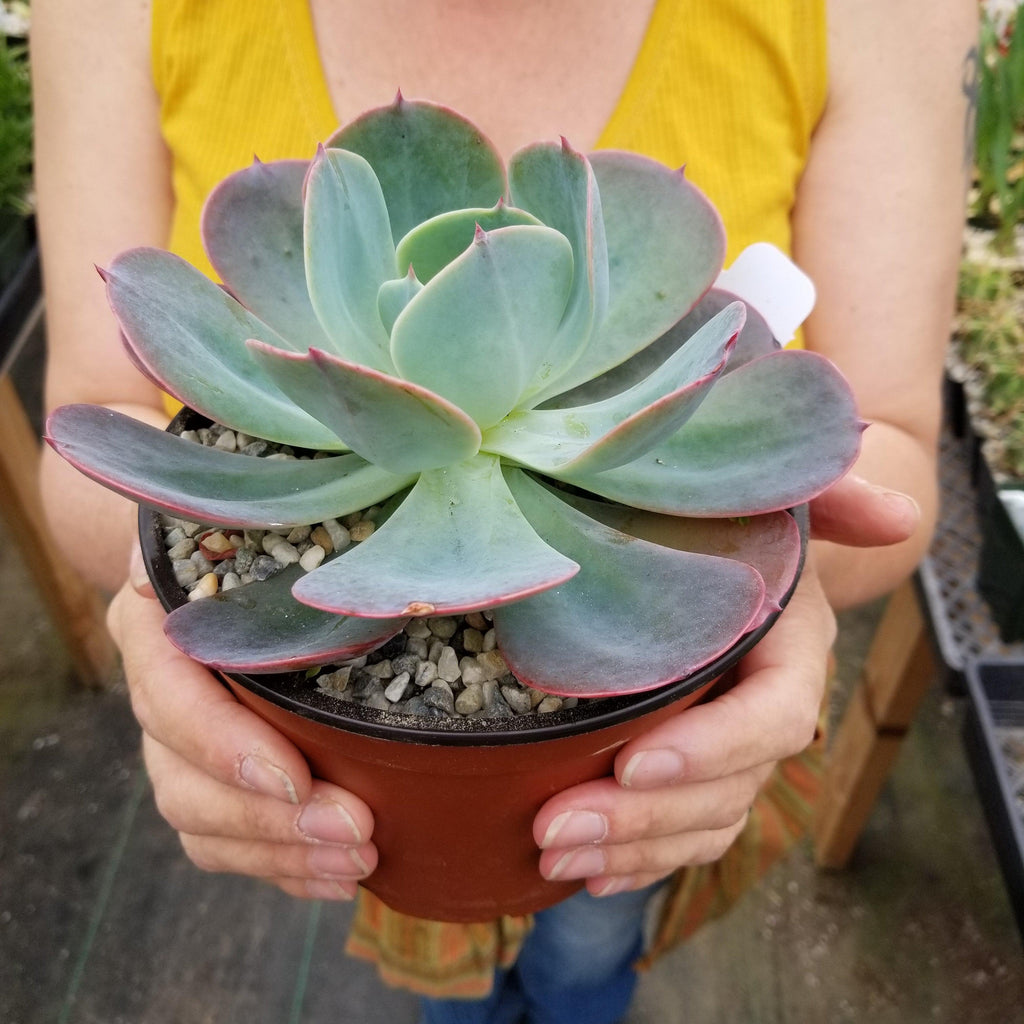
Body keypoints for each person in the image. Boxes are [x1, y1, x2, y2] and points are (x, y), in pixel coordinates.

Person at [32, 1, 976, 1021]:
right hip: (353, 801)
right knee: (448, 962)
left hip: (651, 769)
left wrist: (772, 568)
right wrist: (149, 590)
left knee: (591, 940)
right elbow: (96, 419)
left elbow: (890, 440)